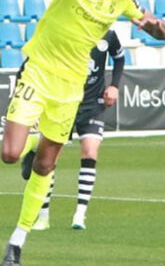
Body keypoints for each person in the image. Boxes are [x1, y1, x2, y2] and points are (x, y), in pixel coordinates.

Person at [0, 0, 165, 266]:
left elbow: (161, 31)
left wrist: (155, 26)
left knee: (46, 167)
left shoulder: (124, 2)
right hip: (38, 73)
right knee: (9, 154)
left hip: (71, 89)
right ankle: (31, 146)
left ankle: (16, 243)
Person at [25, 29, 125, 231]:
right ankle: (43, 216)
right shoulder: (68, 29)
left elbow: (119, 57)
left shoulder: (108, 34)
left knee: (90, 152)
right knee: (50, 160)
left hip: (93, 104)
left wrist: (114, 85)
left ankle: (80, 214)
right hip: (64, 103)